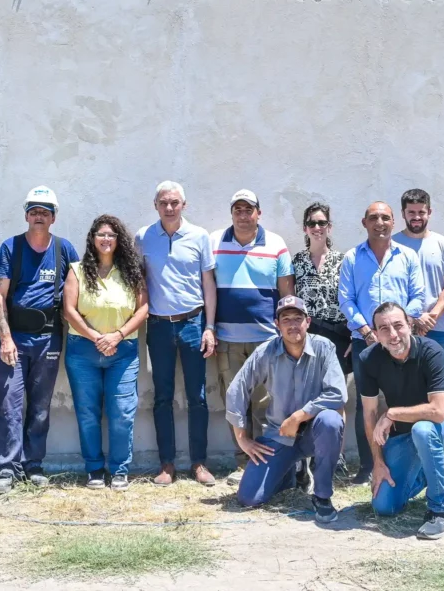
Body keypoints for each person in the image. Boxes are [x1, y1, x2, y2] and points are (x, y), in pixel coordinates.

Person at [0, 186, 80, 495]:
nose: (39, 216)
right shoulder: (10, 248)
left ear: (53, 218)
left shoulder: (64, 250)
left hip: (49, 338)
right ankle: (6, 468)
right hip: (15, 338)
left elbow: (81, 287)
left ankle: (33, 465)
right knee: (8, 404)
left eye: (45, 212)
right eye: (34, 211)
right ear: (26, 215)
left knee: (40, 407)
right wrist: (5, 338)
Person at [228, 296, 347, 523]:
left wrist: (299, 416)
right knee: (248, 498)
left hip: (315, 433)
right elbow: (237, 390)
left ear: (308, 321)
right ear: (277, 324)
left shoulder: (325, 348)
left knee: (331, 420)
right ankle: (293, 471)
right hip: (279, 435)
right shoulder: (265, 352)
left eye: (298, 318)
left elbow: (338, 393)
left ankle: (322, 496)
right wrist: (242, 438)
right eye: (286, 319)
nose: (293, 325)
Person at [360, 302, 444, 540]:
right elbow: (368, 413)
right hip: (406, 435)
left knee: (424, 430)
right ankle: (437, 469)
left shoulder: (432, 352)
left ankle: (439, 510)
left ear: (410, 325)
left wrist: (391, 414)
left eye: (398, 325)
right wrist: (377, 462)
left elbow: (438, 412)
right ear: (375, 334)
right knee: (384, 507)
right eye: (384, 329)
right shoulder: (369, 359)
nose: (393, 334)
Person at [136, 181, 218, 487]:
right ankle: (167, 464)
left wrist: (210, 327)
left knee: (197, 397)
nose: (169, 208)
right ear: (155, 205)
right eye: (163, 203)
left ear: (184, 205)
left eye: (174, 203)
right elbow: (140, 282)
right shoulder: (143, 237)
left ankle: (199, 463)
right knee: (162, 397)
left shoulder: (198, 237)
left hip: (193, 323)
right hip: (157, 326)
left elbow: (208, 283)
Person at [338, 201, 426, 485]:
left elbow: (418, 296)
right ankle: (367, 464)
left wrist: (400, 328)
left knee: (407, 400)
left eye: (385, 217)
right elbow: (346, 299)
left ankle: (409, 461)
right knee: (367, 404)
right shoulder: (352, 258)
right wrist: (367, 331)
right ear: (364, 223)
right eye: (374, 217)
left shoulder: (408, 256)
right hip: (367, 341)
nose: (380, 222)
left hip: (402, 341)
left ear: (393, 222)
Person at [210, 189, 294, 485]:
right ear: (231, 213)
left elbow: (287, 295)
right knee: (235, 401)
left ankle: (267, 463)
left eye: (249, 210)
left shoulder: (276, 244)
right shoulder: (215, 242)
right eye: (238, 210)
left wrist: (288, 334)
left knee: (265, 403)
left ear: (259, 213)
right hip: (227, 339)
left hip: (266, 341)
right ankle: (243, 463)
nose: (243, 215)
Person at [62, 214, 149, 491]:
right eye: (101, 234)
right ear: (92, 239)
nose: (106, 239)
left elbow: (143, 309)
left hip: (123, 352)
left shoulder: (132, 271)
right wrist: (97, 337)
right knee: (87, 413)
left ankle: (120, 470)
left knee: (122, 412)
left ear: (119, 239)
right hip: (83, 351)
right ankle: (95, 470)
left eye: (111, 234)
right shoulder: (76, 270)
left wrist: (117, 335)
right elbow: (69, 310)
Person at [292, 202, 351, 478]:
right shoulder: (298, 261)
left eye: (322, 223)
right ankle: (302, 459)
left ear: (329, 227)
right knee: (305, 395)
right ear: (305, 228)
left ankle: (334, 457)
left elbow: (351, 298)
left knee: (335, 395)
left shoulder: (343, 260)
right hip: (307, 335)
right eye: (312, 223)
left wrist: (353, 333)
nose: (317, 228)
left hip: (338, 334)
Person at [392, 189, 444, 362]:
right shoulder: (392, 245)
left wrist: (431, 317)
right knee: (405, 387)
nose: (416, 217)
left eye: (421, 212)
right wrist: (414, 317)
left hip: (440, 328)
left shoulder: (443, 244)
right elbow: (390, 286)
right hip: (401, 330)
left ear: (429, 212)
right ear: (403, 213)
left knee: (441, 385)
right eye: (411, 212)